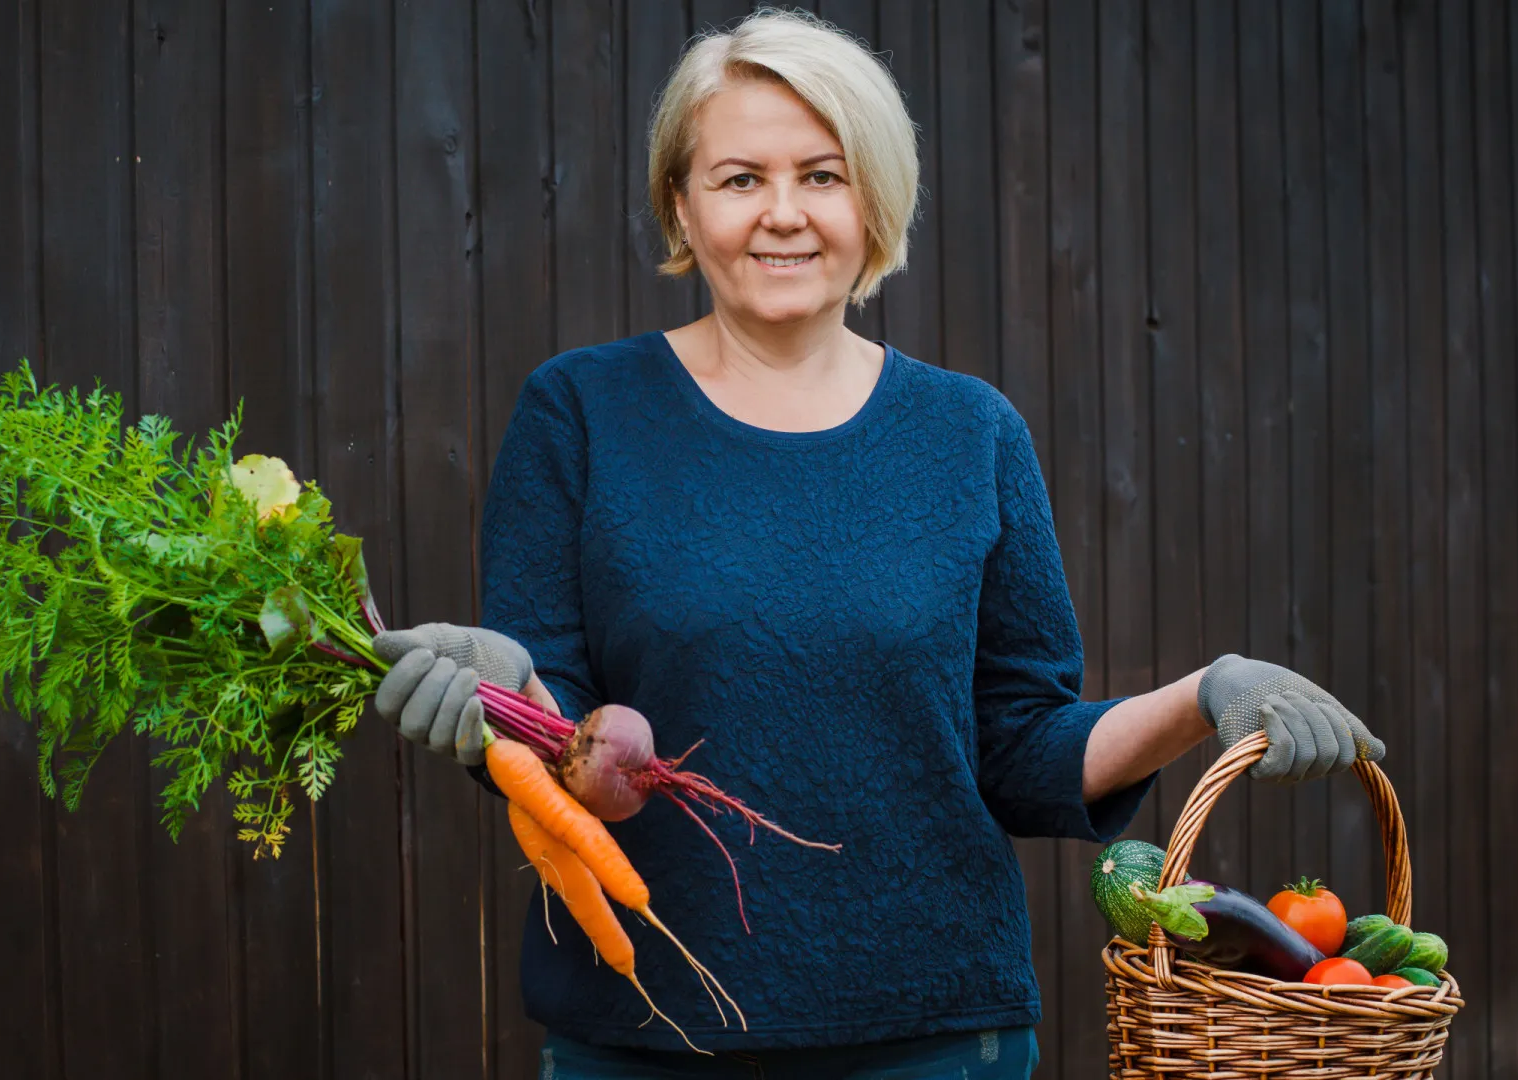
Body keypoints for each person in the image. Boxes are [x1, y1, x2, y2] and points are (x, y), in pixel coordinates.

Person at [369, 9, 1384, 1078]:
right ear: (680, 203)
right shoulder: (580, 412)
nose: (784, 213)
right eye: (740, 179)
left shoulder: (970, 432)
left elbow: (1019, 746)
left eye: (824, 176)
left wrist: (1205, 694)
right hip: (648, 1031)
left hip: (939, 1035)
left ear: (876, 202)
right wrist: (505, 695)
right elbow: (567, 735)